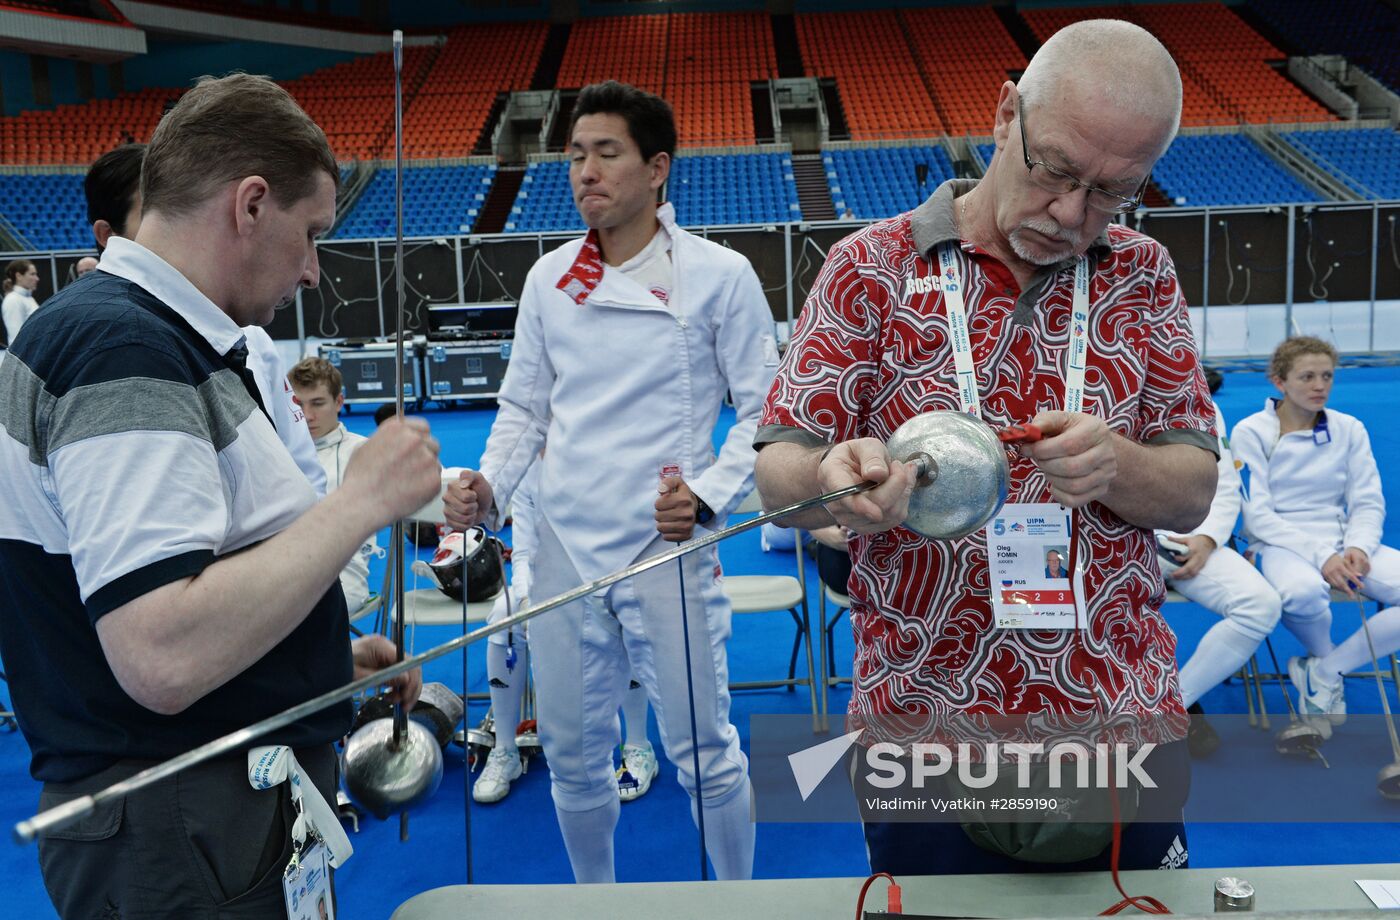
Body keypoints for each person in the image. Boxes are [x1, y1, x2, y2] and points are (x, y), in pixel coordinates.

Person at [753, 20, 1218, 875]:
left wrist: (1119, 465)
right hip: (927, 732)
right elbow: (777, 468)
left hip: (1119, 727)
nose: (1074, 214)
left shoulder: (1144, 273)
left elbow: (1192, 489)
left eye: (1116, 192)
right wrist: (828, 478)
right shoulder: (870, 268)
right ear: (1005, 114)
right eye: (1057, 172)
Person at [0, 73, 438, 917]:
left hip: (195, 813)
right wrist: (362, 501)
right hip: (180, 828)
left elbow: (167, 583)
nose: (313, 270)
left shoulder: (146, 335)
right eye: (311, 234)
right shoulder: (122, 348)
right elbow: (160, 652)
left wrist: (312, 670)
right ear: (249, 206)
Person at [445, 80, 778, 882]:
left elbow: (769, 407)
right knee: (572, 754)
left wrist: (706, 496)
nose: (585, 171)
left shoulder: (719, 275)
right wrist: (488, 488)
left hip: (663, 544)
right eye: (575, 155)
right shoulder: (548, 279)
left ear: (657, 168)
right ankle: (596, 901)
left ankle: (738, 901)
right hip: (561, 543)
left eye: (606, 153)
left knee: (705, 752)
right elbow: (524, 407)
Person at [83, 141, 326, 495]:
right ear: (108, 235)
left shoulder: (252, 338)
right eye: (153, 216)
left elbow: (303, 474)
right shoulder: (104, 346)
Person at [1233, 335, 1400, 739]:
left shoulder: (1349, 428)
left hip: (1344, 541)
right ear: (1279, 381)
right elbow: (1257, 516)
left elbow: (1367, 500)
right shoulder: (1250, 432)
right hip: (1278, 543)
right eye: (1306, 376)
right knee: (1302, 592)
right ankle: (1325, 669)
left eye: (1326, 376)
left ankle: (1324, 673)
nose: (1319, 385)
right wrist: (1323, 554)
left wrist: (1358, 545)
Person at [469, 456, 659, 806]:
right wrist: (527, 596)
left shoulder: (604, 452)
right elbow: (524, 551)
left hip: (610, 575)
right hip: (548, 583)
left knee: (626, 610)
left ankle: (637, 746)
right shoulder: (529, 470)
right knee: (504, 617)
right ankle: (505, 750)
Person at [1155, 375, 1281, 757]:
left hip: (1181, 539)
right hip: (1098, 539)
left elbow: (1224, 483)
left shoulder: (1198, 400)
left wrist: (1207, 539)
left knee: (1260, 604)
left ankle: (1171, 707)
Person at [288, 356, 379, 613]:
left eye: (317, 403)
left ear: (339, 402)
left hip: (343, 574)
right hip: (282, 567)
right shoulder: (277, 451)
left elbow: (434, 481)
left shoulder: (365, 451)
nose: (307, 416)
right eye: (298, 405)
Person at [2, 258, 40, 348]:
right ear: (19, 276)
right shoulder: (13, 300)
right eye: (32, 274)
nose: (37, 278)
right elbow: (16, 338)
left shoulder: (29, 298)